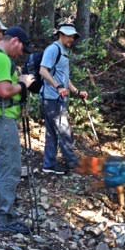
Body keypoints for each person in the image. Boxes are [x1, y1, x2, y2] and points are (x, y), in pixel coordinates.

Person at [0, 27, 35, 233]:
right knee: (8, 167)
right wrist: (23, 84)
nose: (21, 54)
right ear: (15, 41)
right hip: (1, 119)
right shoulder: (1, 59)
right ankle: (6, 218)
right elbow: (4, 91)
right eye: (22, 49)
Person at [39, 23, 88, 174]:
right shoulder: (53, 49)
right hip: (52, 98)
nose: (71, 39)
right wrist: (58, 87)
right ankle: (73, 164)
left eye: (73, 37)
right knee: (64, 131)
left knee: (52, 133)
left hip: (57, 98)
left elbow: (64, 77)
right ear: (61, 35)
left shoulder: (64, 51)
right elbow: (43, 70)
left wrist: (76, 91)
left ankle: (49, 165)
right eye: (69, 36)